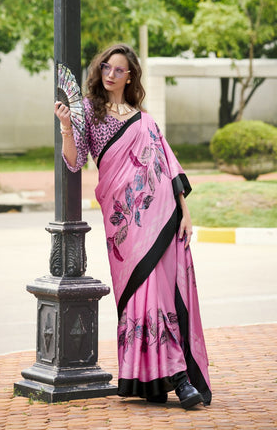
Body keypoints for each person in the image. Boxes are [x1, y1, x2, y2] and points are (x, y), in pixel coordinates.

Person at [54, 43, 212, 408]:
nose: (110, 74)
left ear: (131, 77)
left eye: (119, 70)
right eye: (106, 67)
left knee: (157, 292)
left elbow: (169, 170)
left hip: (159, 218)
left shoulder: (146, 120)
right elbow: (75, 162)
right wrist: (66, 126)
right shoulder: (90, 116)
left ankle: (173, 377)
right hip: (124, 226)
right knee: (141, 295)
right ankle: (160, 379)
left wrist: (185, 213)